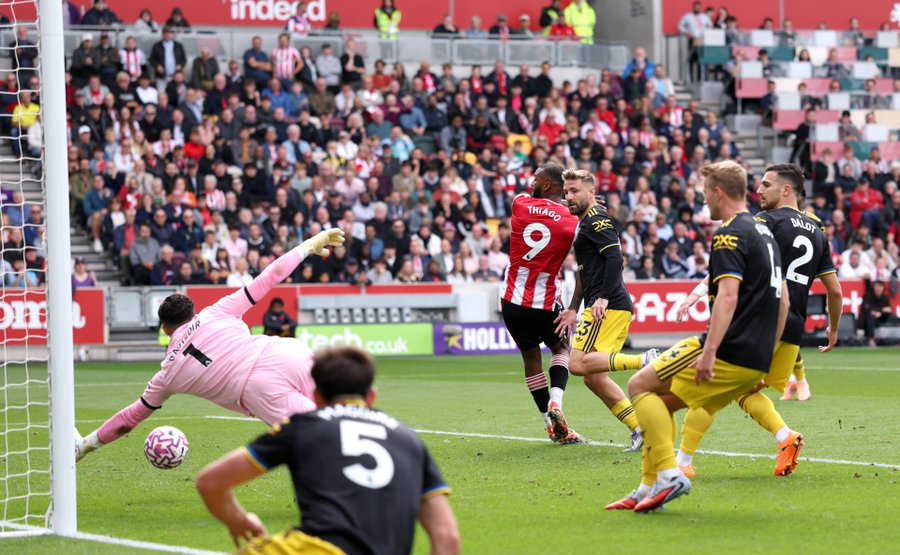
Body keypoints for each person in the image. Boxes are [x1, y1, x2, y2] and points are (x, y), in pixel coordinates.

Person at [607, 161, 790, 513]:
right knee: (660, 404)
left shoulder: (729, 234)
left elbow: (727, 297)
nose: (703, 199)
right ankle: (647, 488)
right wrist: (768, 357)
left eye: (705, 192)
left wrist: (709, 352)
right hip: (756, 356)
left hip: (726, 349)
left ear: (719, 192)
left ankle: (669, 475)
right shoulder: (764, 232)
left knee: (639, 386)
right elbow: (785, 301)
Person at [74, 229, 345, 463]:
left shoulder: (167, 376)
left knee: (320, 437)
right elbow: (270, 276)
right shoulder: (216, 311)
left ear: (165, 329)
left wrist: (86, 444)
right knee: (345, 415)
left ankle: (336, 493)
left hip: (258, 387)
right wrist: (309, 245)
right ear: (193, 313)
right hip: (285, 352)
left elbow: (129, 419)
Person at [195, 346, 459, 555]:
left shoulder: (303, 427)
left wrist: (240, 521)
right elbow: (447, 537)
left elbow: (210, 483)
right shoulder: (410, 440)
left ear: (317, 396)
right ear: (371, 397)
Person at [673, 164, 843, 479]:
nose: (758, 191)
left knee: (708, 387)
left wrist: (696, 293)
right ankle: (786, 437)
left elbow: (732, 267)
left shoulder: (764, 222)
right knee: (745, 391)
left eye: (766, 185)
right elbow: (834, 290)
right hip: (792, 329)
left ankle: (681, 462)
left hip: (758, 322)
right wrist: (833, 329)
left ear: (787, 190)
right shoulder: (818, 232)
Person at [553, 169, 658, 452]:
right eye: (566, 191)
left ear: (591, 192)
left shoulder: (597, 220)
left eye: (575, 191)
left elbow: (615, 257)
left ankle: (645, 360)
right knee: (594, 378)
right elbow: (584, 273)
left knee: (576, 365)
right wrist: (573, 308)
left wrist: (601, 298)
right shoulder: (586, 223)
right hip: (607, 304)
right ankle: (641, 428)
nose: (569, 196)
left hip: (606, 306)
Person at [500, 164, 582, 444]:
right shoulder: (571, 220)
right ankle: (556, 402)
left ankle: (549, 423)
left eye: (536, 178)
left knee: (531, 358)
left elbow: (533, 200)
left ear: (547, 185)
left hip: (512, 301)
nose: (530, 182)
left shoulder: (520, 204)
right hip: (545, 303)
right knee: (561, 349)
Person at [860, 280, 893, 346]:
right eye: (877, 286)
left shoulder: (885, 297)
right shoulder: (868, 295)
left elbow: (888, 309)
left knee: (892, 316)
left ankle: (893, 338)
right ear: (874, 287)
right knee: (871, 317)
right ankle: (871, 338)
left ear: (883, 288)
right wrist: (879, 311)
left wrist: (880, 313)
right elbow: (866, 308)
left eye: (880, 287)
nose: (878, 289)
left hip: (881, 317)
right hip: (868, 318)